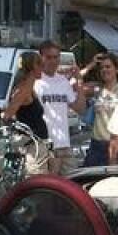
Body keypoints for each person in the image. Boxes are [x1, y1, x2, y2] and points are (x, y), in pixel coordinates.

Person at [34, 40, 91, 176]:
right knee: (46, 187)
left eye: (56, 57)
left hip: (63, 143)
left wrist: (79, 83)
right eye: (49, 57)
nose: (53, 61)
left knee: (72, 184)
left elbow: (80, 108)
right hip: (44, 143)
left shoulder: (63, 81)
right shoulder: (35, 82)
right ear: (41, 57)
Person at [2, 51, 52, 176]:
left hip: (38, 143)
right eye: (39, 64)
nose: (42, 67)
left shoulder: (30, 88)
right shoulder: (23, 89)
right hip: (32, 145)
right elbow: (8, 114)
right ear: (32, 67)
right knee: (37, 182)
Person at [80, 54, 118, 167]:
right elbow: (73, 85)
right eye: (101, 68)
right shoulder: (96, 90)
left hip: (116, 145)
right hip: (96, 144)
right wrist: (91, 65)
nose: (104, 70)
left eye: (108, 67)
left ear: (116, 69)